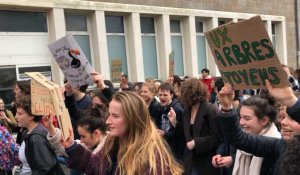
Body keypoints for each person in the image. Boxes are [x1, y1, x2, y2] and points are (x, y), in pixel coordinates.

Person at [62, 92, 183, 175]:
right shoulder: (112, 141)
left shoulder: (151, 156)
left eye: (115, 116)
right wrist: (72, 147)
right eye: (109, 114)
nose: (108, 121)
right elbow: (94, 166)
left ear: (132, 119)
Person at [218, 80, 300, 175]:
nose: (284, 122)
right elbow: (239, 139)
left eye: (293, 119)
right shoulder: (281, 146)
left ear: (264, 120)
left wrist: (291, 100)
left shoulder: (275, 138)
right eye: (283, 117)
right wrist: (227, 108)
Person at [179, 78, 220, 175]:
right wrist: (174, 123)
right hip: (190, 161)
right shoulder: (187, 110)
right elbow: (185, 133)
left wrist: (196, 143)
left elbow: (216, 137)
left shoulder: (211, 109)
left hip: (206, 161)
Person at [15, 95, 64, 175]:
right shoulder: (26, 133)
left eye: (20, 114)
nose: (16, 117)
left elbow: (45, 169)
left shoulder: (37, 138)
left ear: (31, 116)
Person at [157, 82, 185, 162]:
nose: (162, 97)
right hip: (166, 147)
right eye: (160, 95)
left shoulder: (177, 109)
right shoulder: (162, 108)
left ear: (171, 95)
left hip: (176, 151)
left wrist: (164, 134)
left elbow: (181, 132)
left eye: (165, 95)